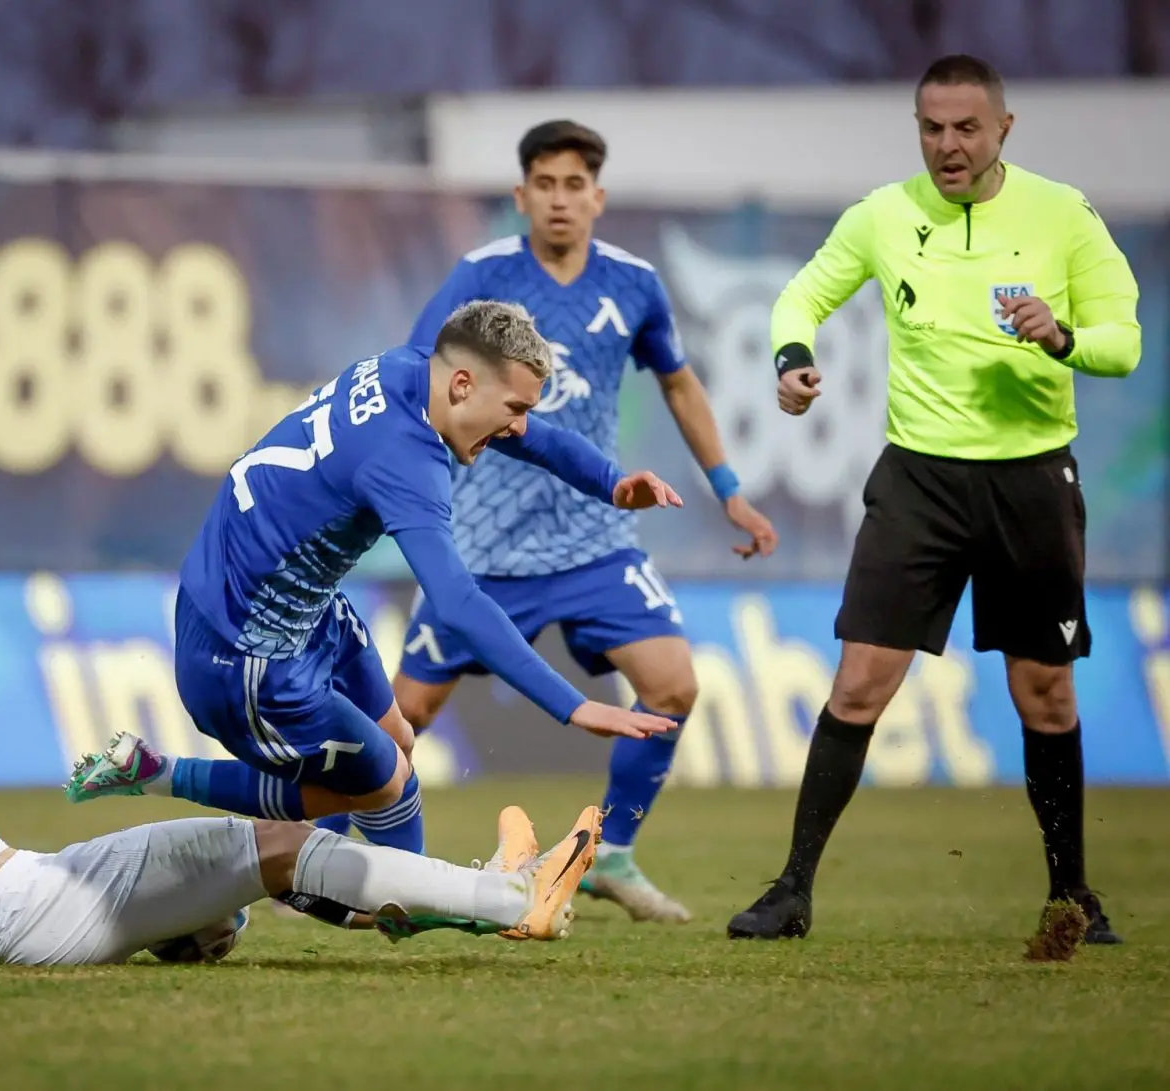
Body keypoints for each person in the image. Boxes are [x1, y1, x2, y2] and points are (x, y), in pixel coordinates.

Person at [65, 302, 685, 933]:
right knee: (387, 785)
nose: (518, 425)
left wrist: (609, 482)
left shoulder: (409, 368)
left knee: (399, 743)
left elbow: (531, 437)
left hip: (299, 605)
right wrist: (572, 706)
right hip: (245, 649)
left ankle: (411, 896)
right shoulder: (406, 457)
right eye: (516, 407)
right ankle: (421, 899)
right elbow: (457, 603)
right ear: (463, 384)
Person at [312, 120, 778, 924]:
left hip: (595, 542)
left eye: (575, 185)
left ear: (598, 196)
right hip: (486, 547)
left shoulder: (634, 284)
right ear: (521, 195)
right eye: (545, 184)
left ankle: (614, 854)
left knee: (673, 684)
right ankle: (315, 853)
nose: (560, 199)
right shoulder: (481, 275)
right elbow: (418, 372)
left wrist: (728, 488)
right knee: (402, 717)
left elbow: (678, 383)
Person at [727, 55, 1140, 943]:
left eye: (966, 128)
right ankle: (791, 890)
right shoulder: (884, 214)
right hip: (919, 481)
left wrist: (1063, 336)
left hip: (1031, 481)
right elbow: (802, 294)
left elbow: (1125, 342)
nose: (948, 146)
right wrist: (791, 359)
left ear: (1004, 129)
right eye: (932, 128)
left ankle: (1072, 894)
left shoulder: (1063, 214)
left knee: (1045, 695)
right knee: (859, 682)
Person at [0, 649, 607, 969]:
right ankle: (506, 896)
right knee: (279, 843)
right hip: (37, 899)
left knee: (260, 869)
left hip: (31, 909)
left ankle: (475, 896)